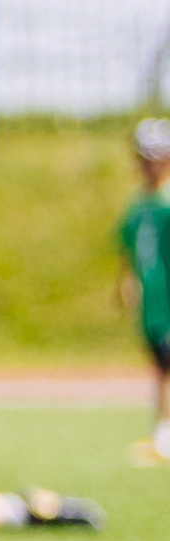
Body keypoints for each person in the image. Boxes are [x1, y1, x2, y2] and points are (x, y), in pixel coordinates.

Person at [122, 117, 170, 465]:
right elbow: (131, 250)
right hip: (154, 302)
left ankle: (164, 436)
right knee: (160, 365)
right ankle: (162, 433)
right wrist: (126, 281)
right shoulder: (140, 205)